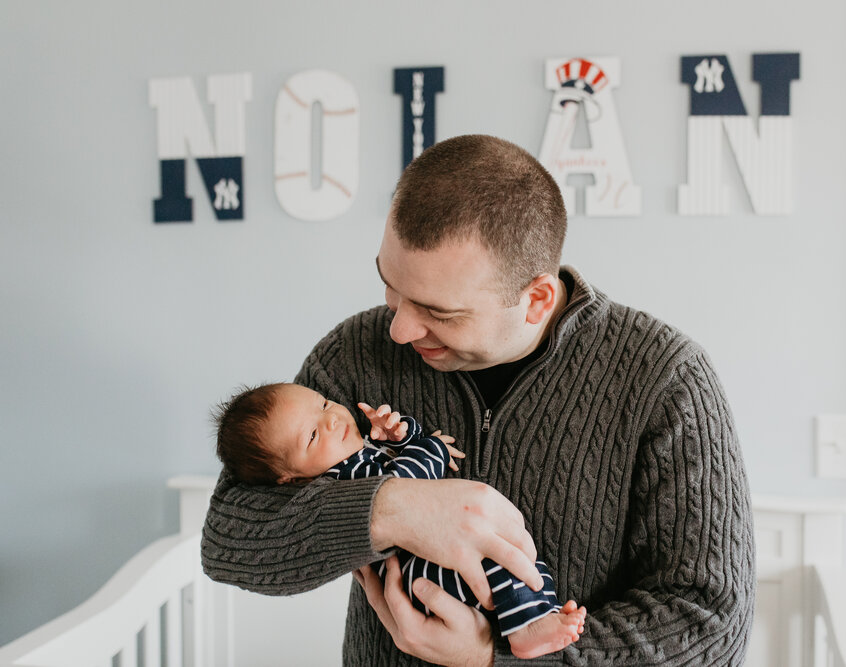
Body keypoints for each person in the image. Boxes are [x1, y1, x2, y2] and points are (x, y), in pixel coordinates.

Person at [202, 134, 755, 666]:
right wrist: (392, 509)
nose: (398, 328)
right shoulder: (354, 353)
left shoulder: (665, 380)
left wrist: (493, 658)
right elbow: (230, 537)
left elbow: (710, 624)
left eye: (438, 312)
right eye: (390, 286)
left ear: (535, 299)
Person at [211, 382, 587, 659]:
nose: (330, 420)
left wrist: (404, 435)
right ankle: (527, 627)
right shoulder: (339, 477)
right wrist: (432, 447)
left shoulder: (354, 455)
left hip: (428, 573)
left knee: (514, 559)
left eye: (324, 403)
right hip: (425, 574)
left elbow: (398, 467)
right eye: (311, 435)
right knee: (504, 560)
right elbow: (408, 480)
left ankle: (533, 620)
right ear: (291, 479)